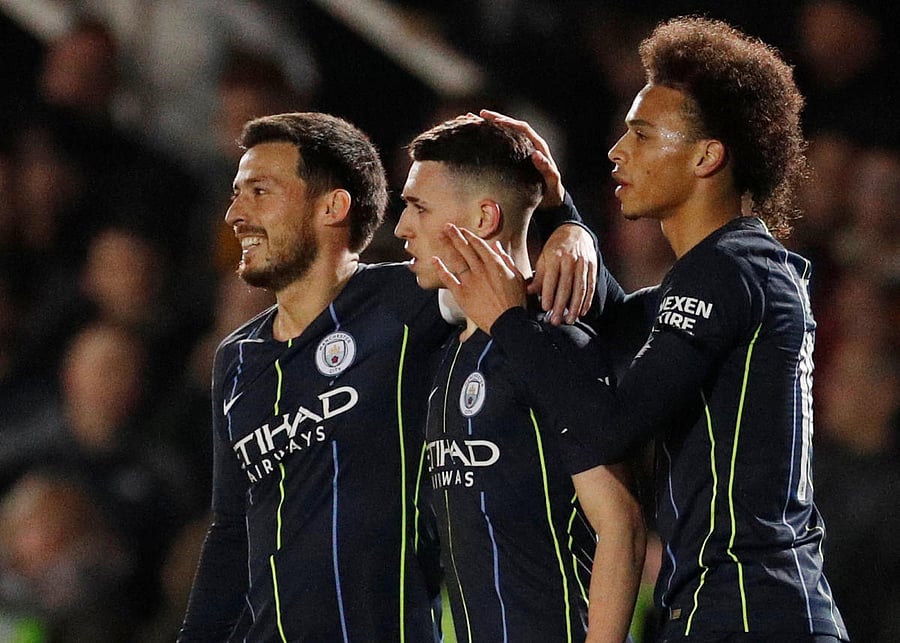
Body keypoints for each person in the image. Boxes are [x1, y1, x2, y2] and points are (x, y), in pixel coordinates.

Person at [435, 17, 849, 642]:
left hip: (751, 613)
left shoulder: (728, 272)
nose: (616, 151)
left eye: (642, 134)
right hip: (737, 607)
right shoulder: (734, 270)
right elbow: (613, 325)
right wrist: (563, 216)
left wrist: (507, 322)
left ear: (707, 156)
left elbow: (610, 424)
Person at [178, 111, 600, 641]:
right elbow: (230, 532)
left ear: (332, 207)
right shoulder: (236, 358)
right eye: (237, 194)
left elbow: (526, 291)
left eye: (259, 192)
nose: (235, 214)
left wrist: (570, 226)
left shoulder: (411, 301)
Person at [394, 114, 645, 642]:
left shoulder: (555, 344)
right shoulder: (449, 356)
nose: (402, 228)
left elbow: (620, 525)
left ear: (484, 217)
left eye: (419, 207)